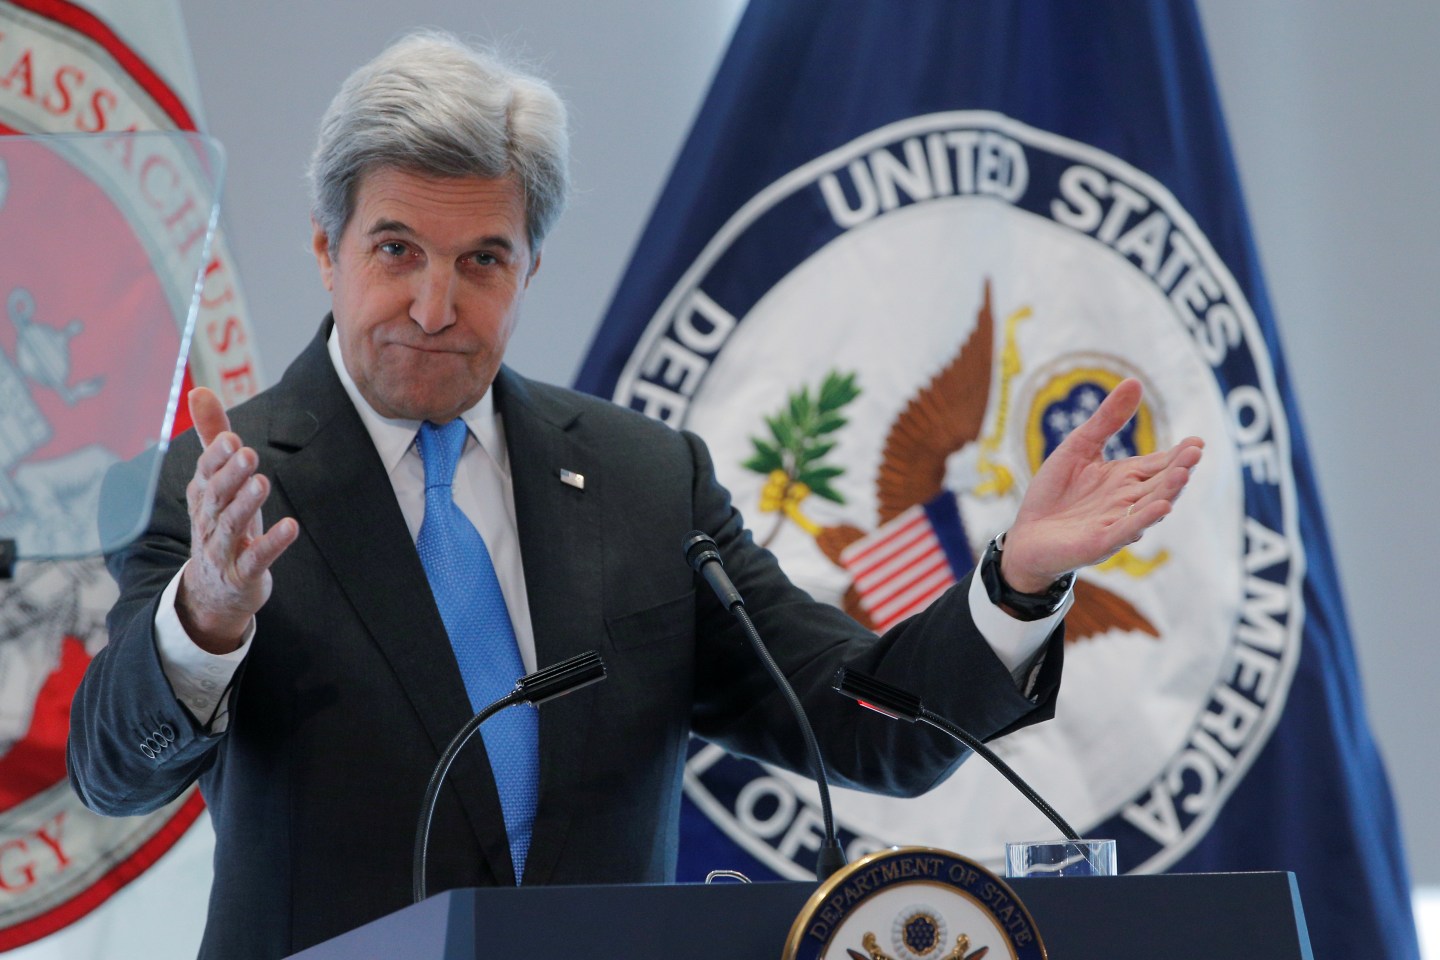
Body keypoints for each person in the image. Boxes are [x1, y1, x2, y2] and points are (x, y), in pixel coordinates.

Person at [66, 30, 1203, 960]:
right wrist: (205, 621)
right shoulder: (217, 488)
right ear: (327, 250)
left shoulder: (642, 479)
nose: (431, 305)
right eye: (397, 250)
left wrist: (1014, 581)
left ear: (531, 270)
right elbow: (113, 770)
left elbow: (862, 723)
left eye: (482, 261)